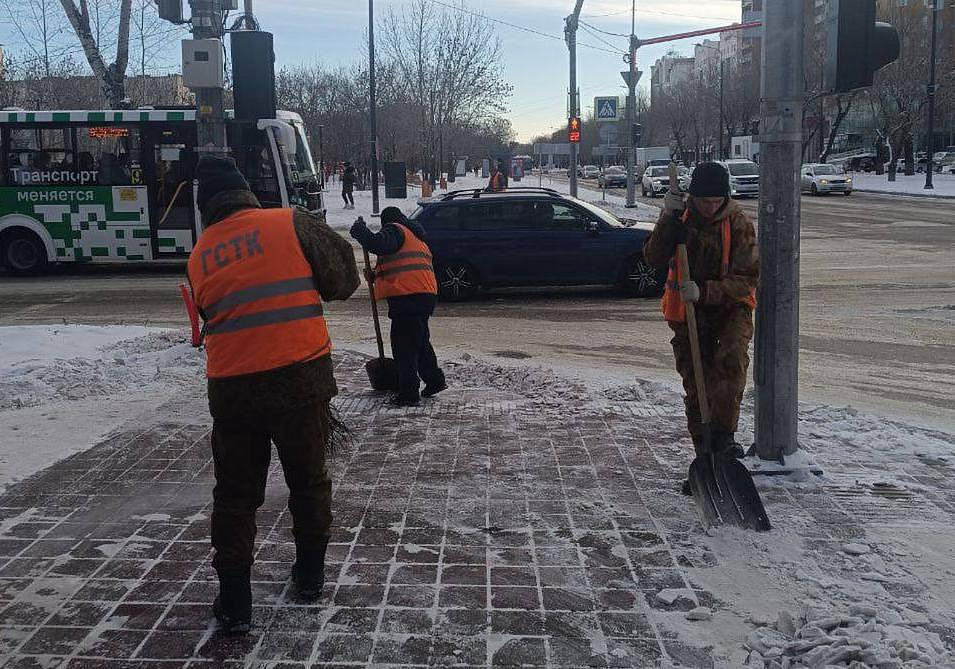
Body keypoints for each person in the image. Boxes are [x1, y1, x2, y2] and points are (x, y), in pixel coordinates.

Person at [186, 156, 359, 633]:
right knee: (308, 480)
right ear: (246, 191)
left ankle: (235, 602)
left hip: (233, 390)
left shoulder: (200, 254)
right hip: (300, 380)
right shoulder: (289, 223)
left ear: (205, 206)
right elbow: (344, 280)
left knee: (236, 495)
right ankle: (310, 576)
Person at [642, 162, 759, 493]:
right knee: (697, 386)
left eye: (716, 201)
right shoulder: (681, 217)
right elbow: (653, 257)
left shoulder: (738, 223)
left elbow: (748, 278)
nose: (710, 207)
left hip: (730, 308)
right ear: (693, 196)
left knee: (731, 363)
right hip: (688, 314)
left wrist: (705, 291)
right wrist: (667, 221)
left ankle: (724, 441)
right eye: (704, 201)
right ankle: (705, 460)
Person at [350, 206, 446, 406]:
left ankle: (409, 393)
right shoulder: (414, 235)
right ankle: (434, 380)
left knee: (404, 347)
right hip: (423, 294)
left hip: (408, 296)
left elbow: (377, 243)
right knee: (419, 342)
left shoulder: (395, 229)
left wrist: (361, 231)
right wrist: (376, 275)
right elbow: (401, 266)